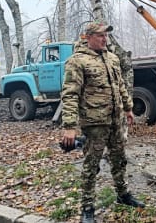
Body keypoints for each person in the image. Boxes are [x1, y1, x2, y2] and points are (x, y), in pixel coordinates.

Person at [60, 20, 145, 223]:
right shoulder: (77, 61)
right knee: (91, 165)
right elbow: (70, 94)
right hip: (94, 122)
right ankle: (87, 207)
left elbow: (120, 85)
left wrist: (128, 107)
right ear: (88, 37)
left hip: (115, 120)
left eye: (106, 35)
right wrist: (70, 127)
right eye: (100, 35)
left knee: (119, 159)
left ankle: (122, 194)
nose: (104, 39)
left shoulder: (112, 59)